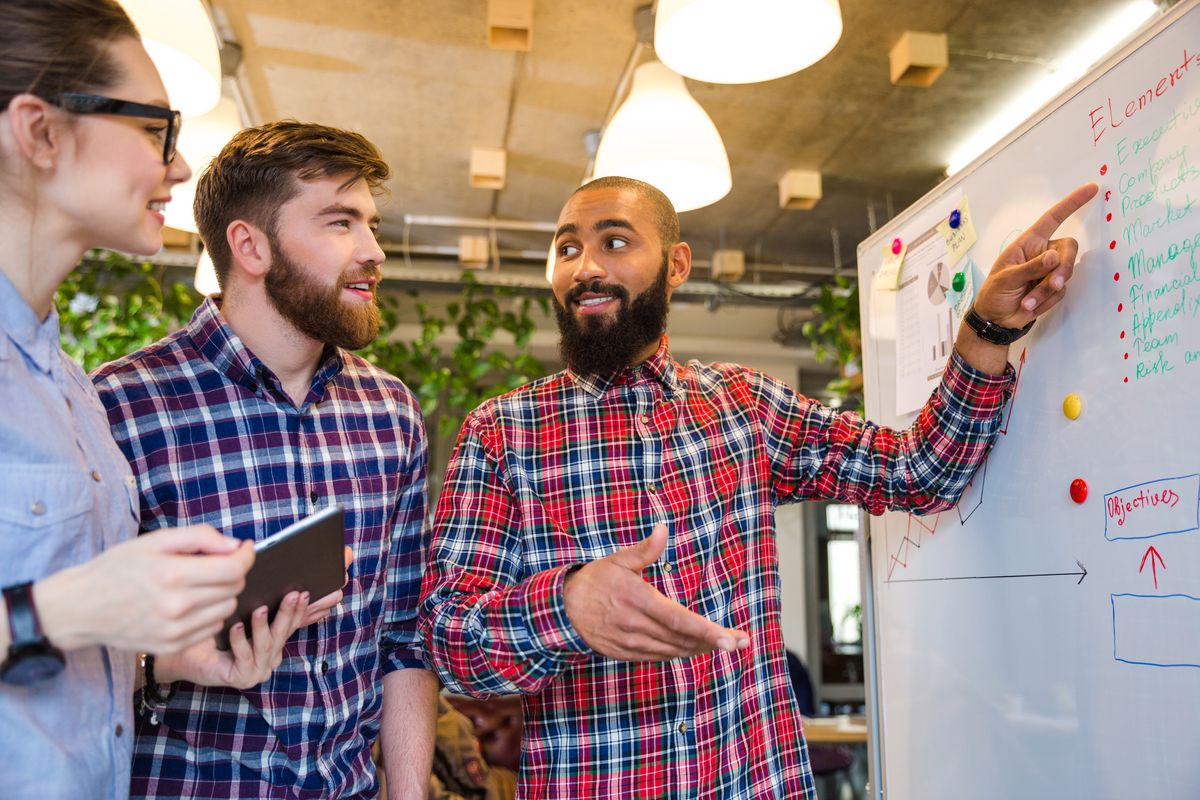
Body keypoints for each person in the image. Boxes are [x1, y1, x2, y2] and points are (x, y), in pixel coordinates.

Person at [419, 175, 1097, 798]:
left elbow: (920, 472)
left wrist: (987, 328)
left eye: (614, 242)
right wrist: (565, 607)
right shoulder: (500, 432)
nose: (586, 266)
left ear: (677, 265)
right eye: (566, 249)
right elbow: (450, 645)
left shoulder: (743, 405)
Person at [92, 121, 437, 799]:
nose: (374, 251)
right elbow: (55, 641)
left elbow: (403, 639)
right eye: (341, 223)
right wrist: (167, 659)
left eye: (370, 224)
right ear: (249, 245)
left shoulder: (391, 413)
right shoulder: (121, 405)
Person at [0, 1, 285, 797]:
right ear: (41, 132)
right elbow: (51, 612)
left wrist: (164, 660)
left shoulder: (73, 393)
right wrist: (57, 609)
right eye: (155, 127)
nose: (182, 165)